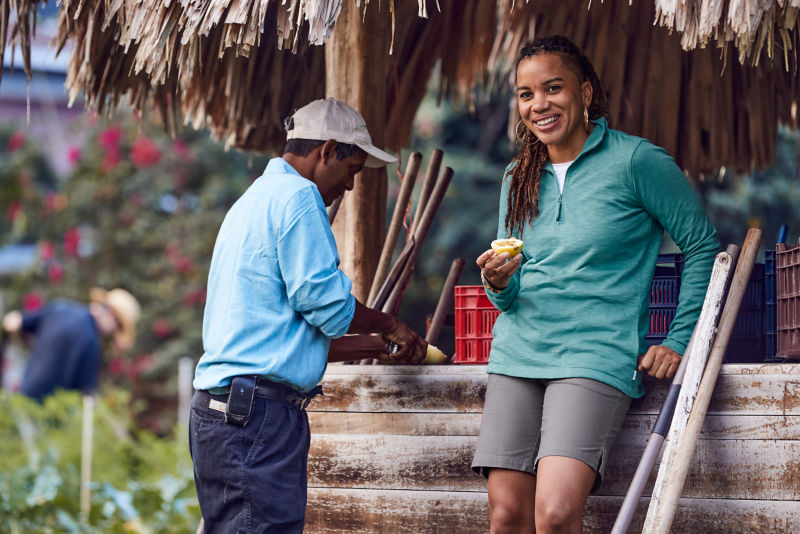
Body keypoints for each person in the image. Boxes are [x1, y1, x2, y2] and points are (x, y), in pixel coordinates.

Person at [472, 36, 719, 533]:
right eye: (525, 94)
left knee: (556, 514)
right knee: (506, 516)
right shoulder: (517, 176)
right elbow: (510, 292)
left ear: (585, 94)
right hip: (519, 351)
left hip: (594, 353)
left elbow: (703, 246)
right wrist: (497, 283)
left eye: (553, 88)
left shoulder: (637, 161)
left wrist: (678, 339)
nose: (539, 104)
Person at [189, 97, 427, 533]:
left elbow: (283, 336)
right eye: (352, 170)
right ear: (327, 150)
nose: (351, 187)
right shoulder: (299, 197)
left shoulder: (252, 201)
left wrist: (374, 345)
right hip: (256, 417)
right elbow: (329, 305)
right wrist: (389, 323)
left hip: (222, 413)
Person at [1, 287, 141, 400]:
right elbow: (87, 396)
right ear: (113, 317)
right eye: (117, 327)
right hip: (51, 414)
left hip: (25, 396)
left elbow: (12, 322)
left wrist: (33, 346)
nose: (112, 333)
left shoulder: (60, 309)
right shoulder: (91, 342)